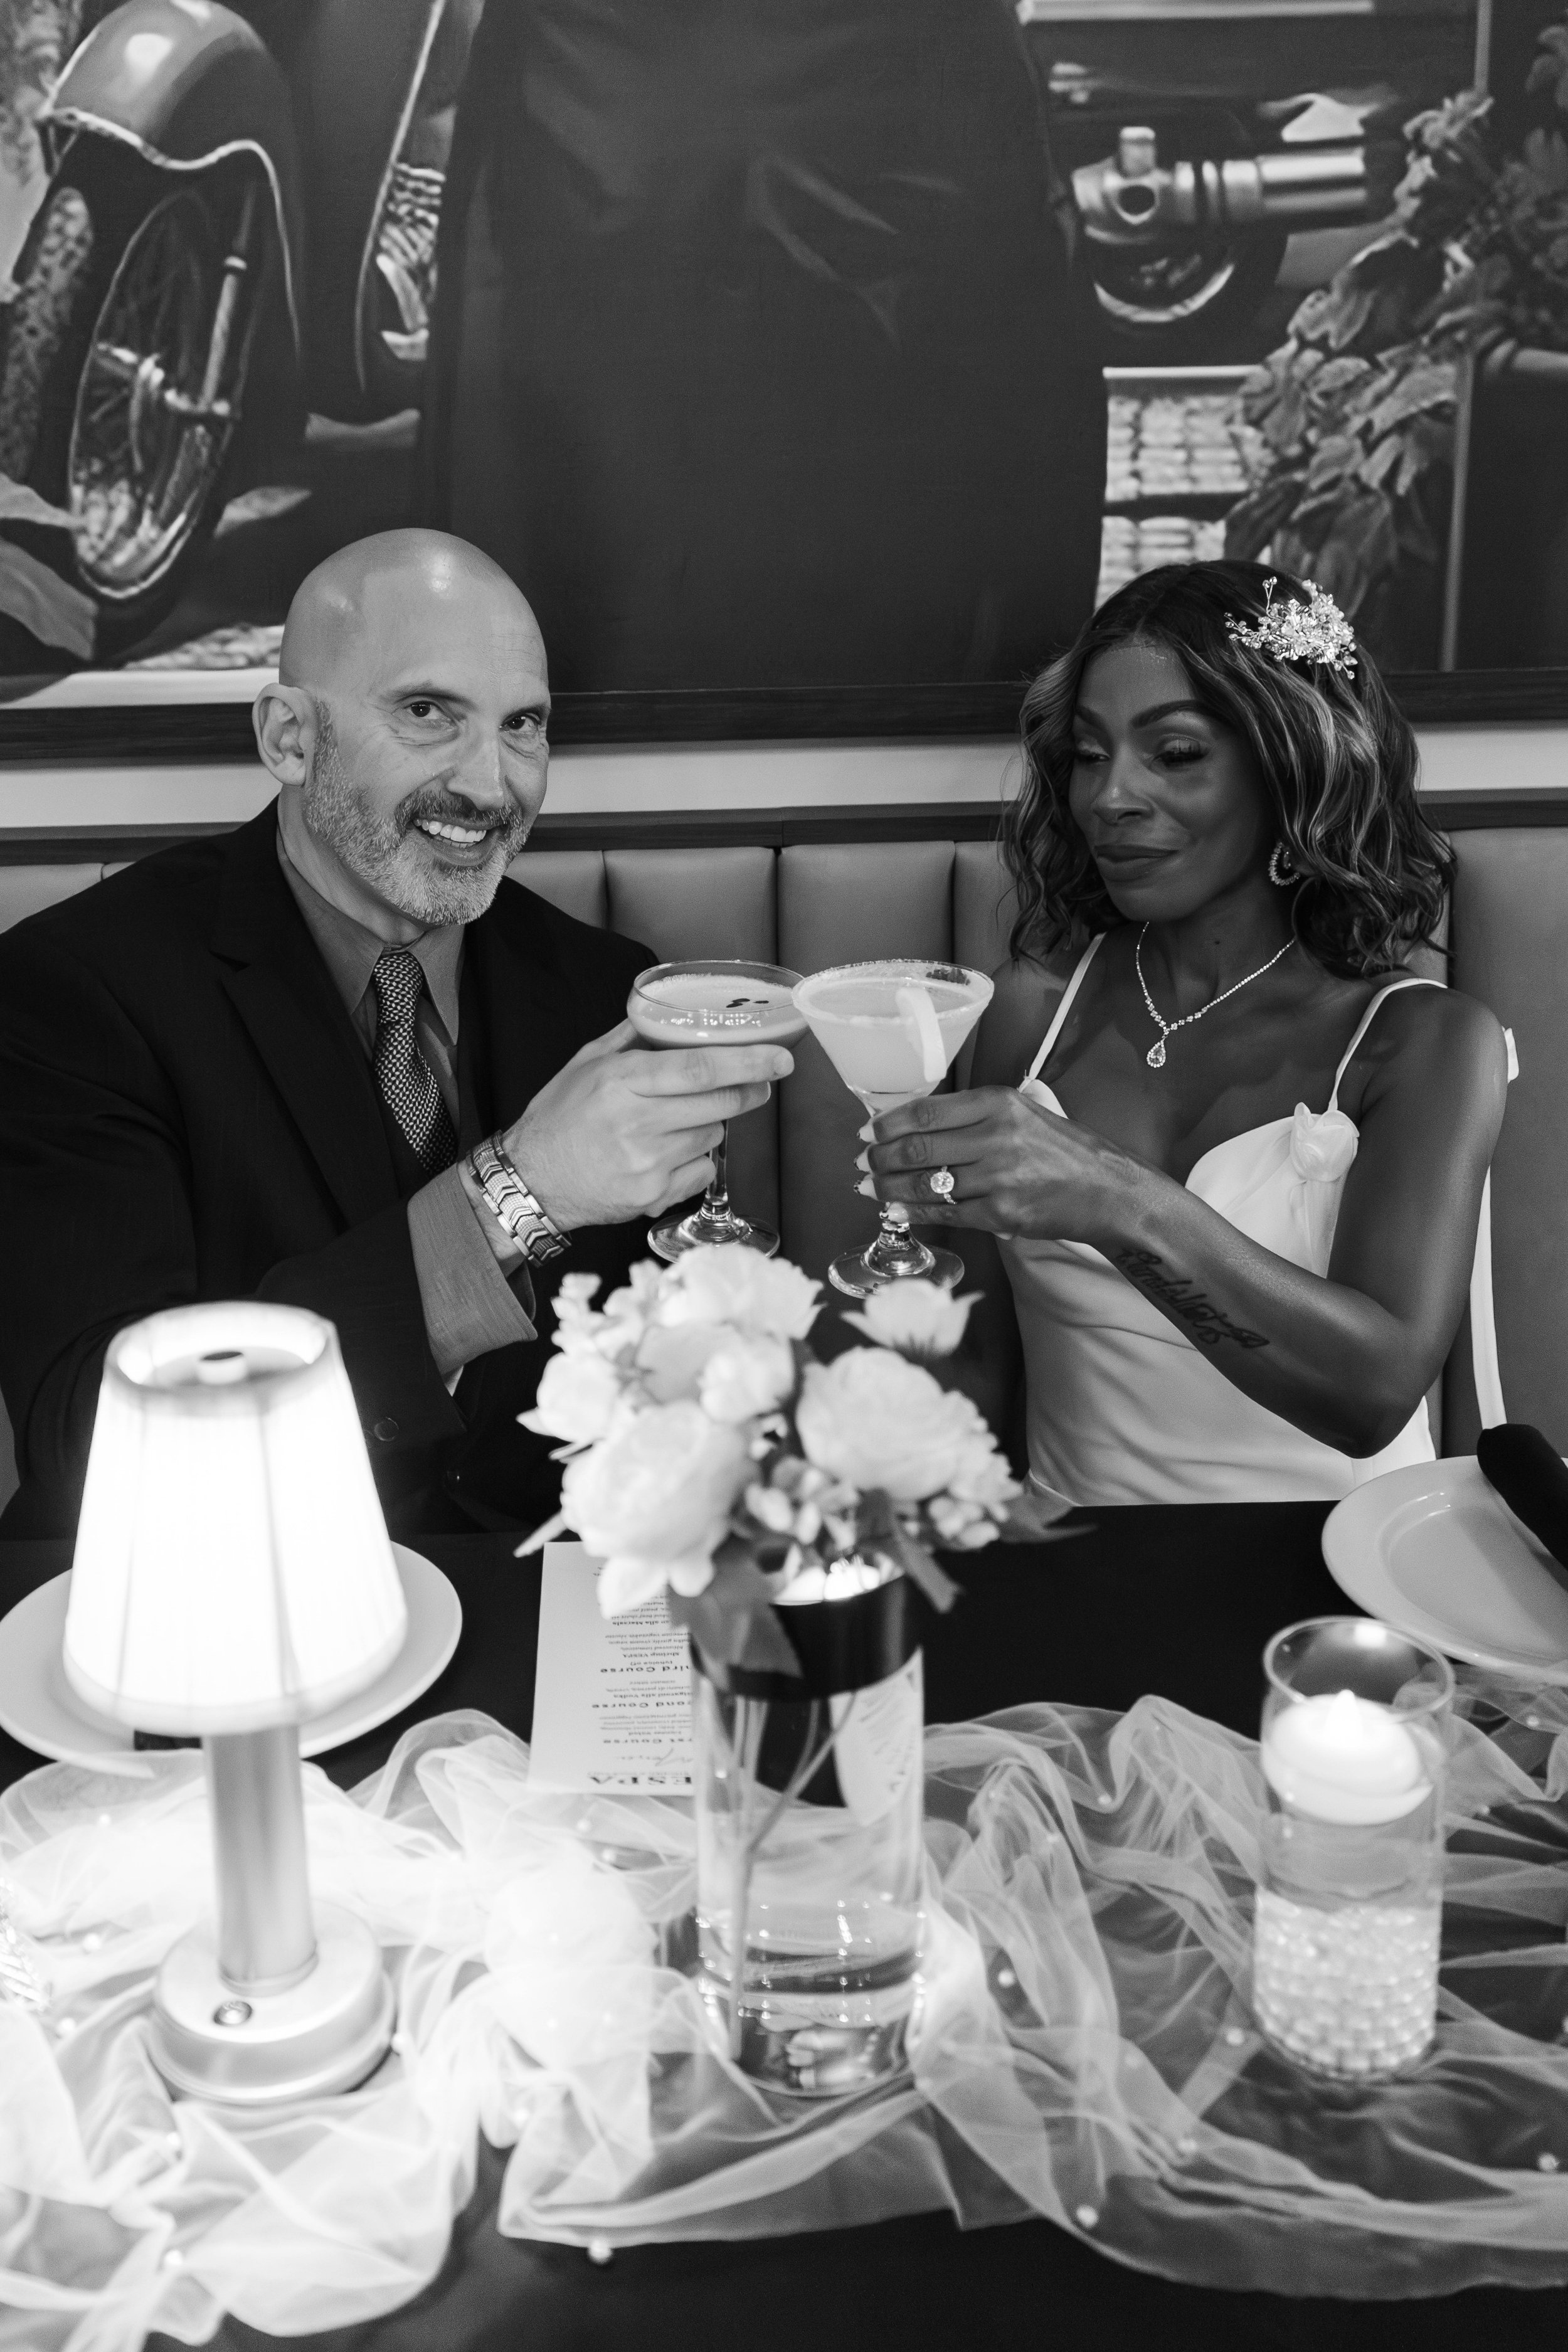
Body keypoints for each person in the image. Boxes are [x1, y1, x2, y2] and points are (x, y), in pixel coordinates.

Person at [0, 529, 792, 1538]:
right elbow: (90, 1442)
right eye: (429, 713)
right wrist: (517, 1193)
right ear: (290, 736)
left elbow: (671, 1377)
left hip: (538, 1601)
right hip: (219, 1613)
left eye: (525, 725)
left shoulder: (603, 986)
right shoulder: (78, 990)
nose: (493, 785)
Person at [860, 561, 1510, 1505]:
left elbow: (1373, 1392)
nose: (1109, 796)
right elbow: (982, 1361)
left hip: (1340, 1590)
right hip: (1074, 1571)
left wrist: (1115, 1197)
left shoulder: (1425, 1041)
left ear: (1292, 766)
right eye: (1089, 753)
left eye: (1174, 752)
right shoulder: (1032, 1009)